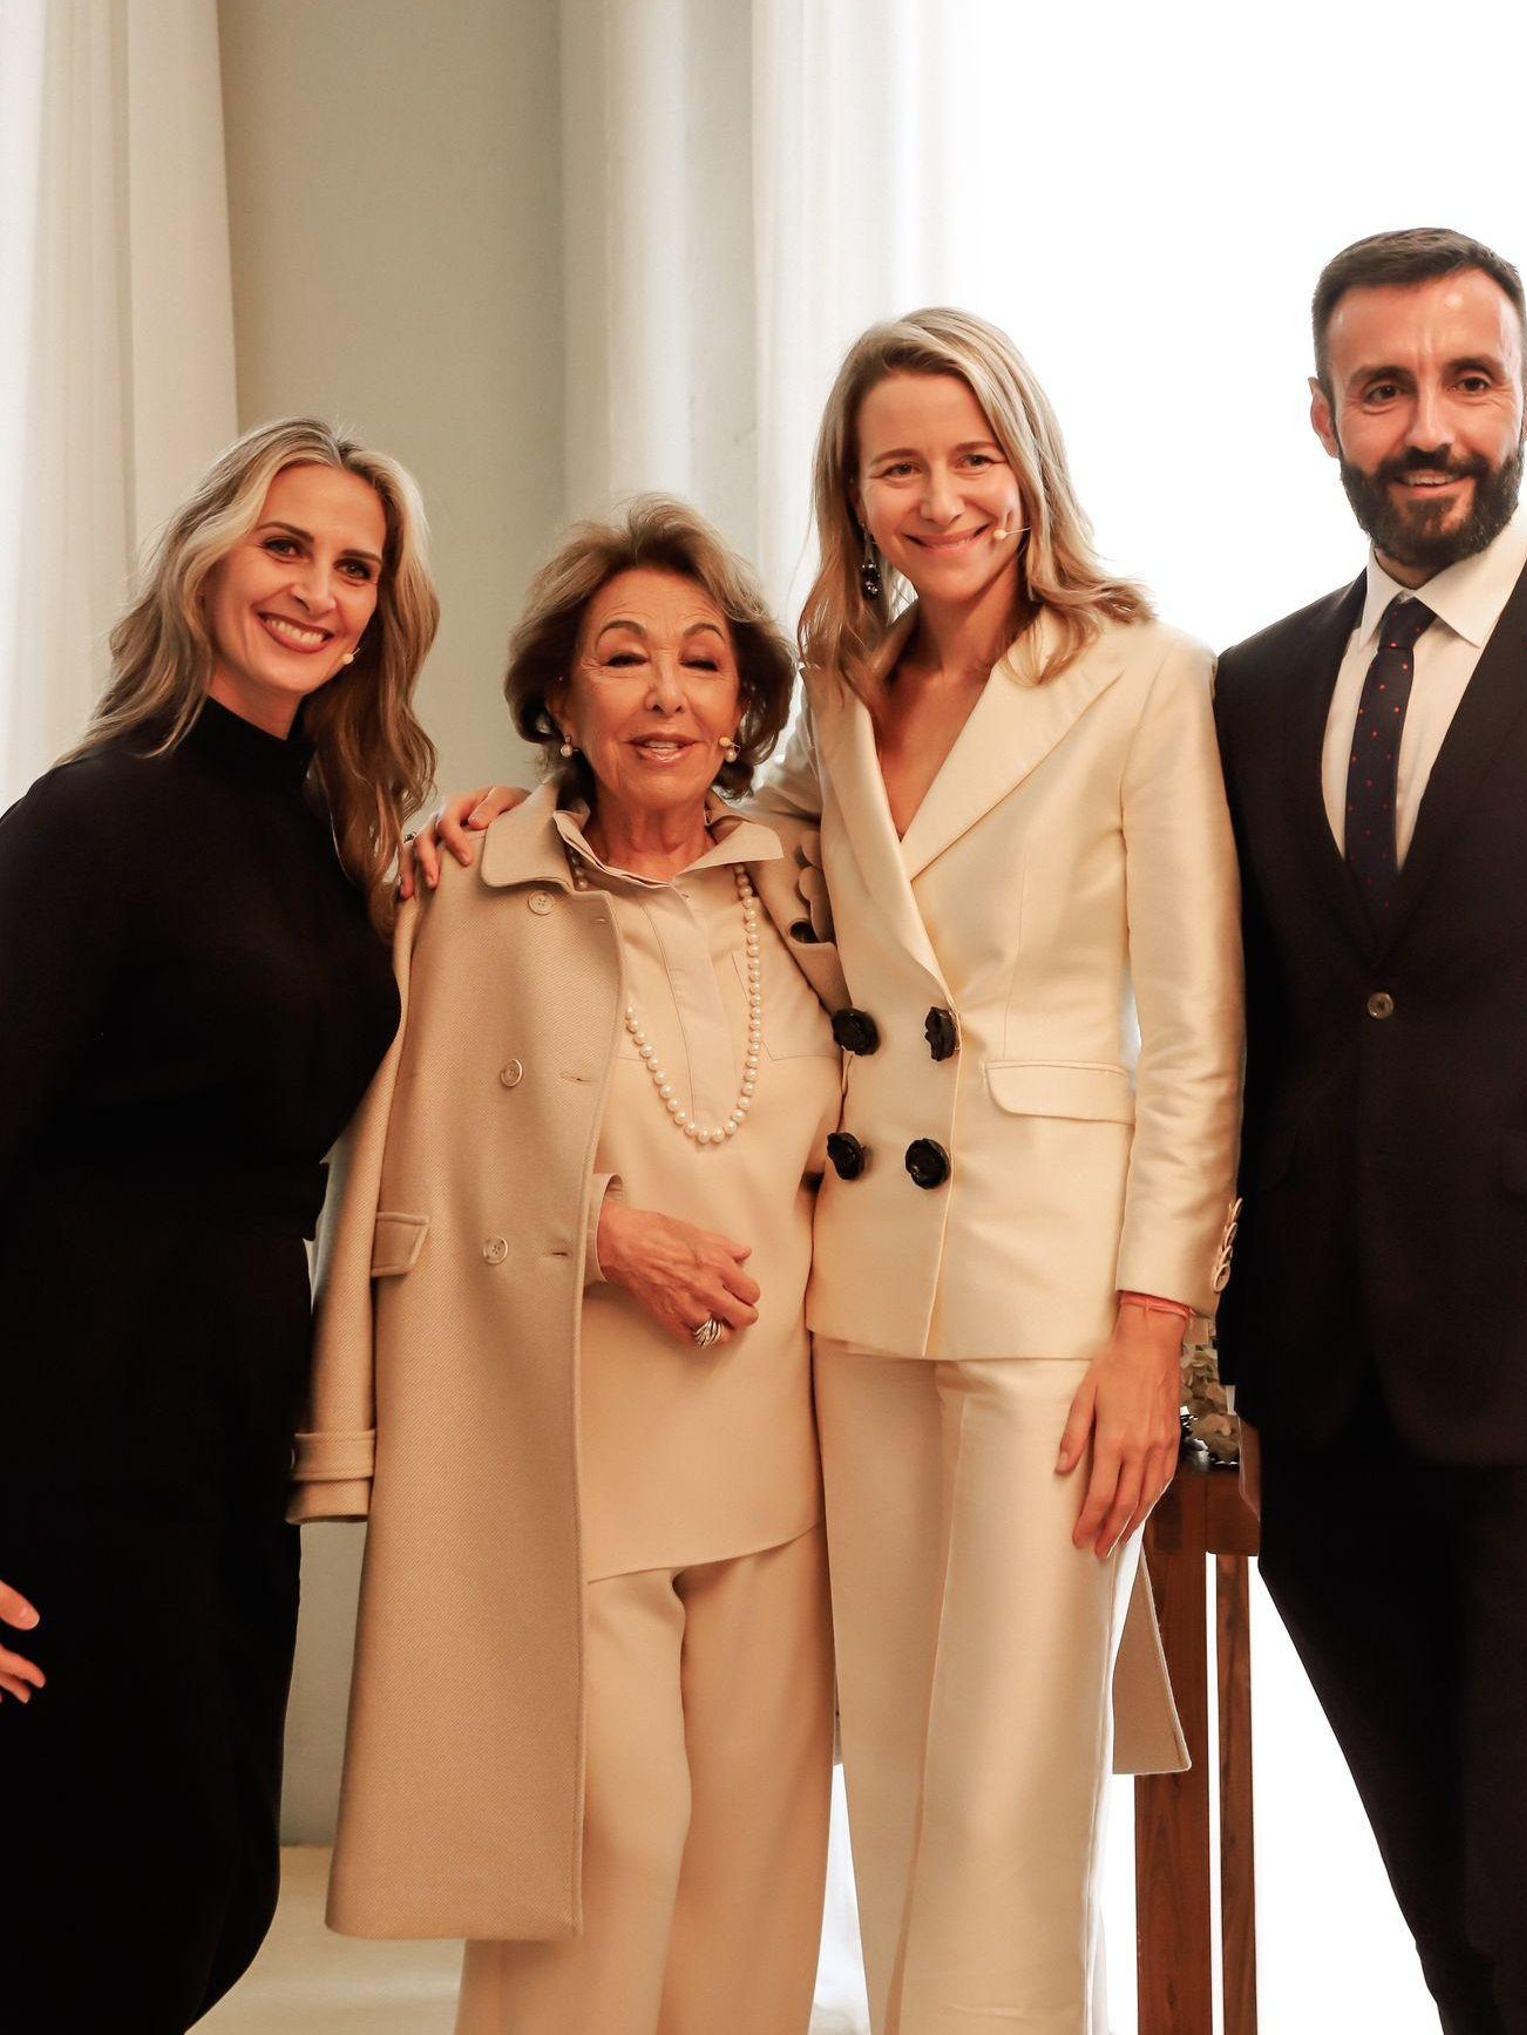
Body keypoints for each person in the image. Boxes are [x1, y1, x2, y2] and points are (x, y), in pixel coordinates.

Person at [417, 311, 1243, 2034]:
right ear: (854, 499)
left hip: (1045, 1304)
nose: (943, 497)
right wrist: (502, 814)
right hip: (851, 1301)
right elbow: (695, 827)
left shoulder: (1143, 676)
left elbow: (1199, 1037)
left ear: (1028, 462)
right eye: (899, 469)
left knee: (1015, 1788)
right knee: (886, 1785)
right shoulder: (846, 693)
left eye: (972, 456)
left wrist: (1150, 1329)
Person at [292, 497, 844, 2035]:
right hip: (570, 1465)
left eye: (703, 662)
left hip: (782, 1473)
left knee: (755, 1879)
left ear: (746, 705)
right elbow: (409, 1159)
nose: (666, 694)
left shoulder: (811, 886)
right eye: (623, 659)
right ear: (558, 699)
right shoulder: (468, 887)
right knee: (603, 1852)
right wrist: (597, 1233)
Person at [0, 417, 438, 2032]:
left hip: (228, 1432)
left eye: (355, 565)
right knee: (82, 1907)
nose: (317, 591)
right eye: (285, 545)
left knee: (204, 1890)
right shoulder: (89, 823)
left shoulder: (332, 851)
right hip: (64, 1435)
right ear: (207, 558)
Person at [1215, 227, 1527, 2033]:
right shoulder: (1254, 690)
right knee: (1451, 1913)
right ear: (1323, 420)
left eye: (1466, 380)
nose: (1426, 424)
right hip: (1331, 1413)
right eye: (1385, 390)